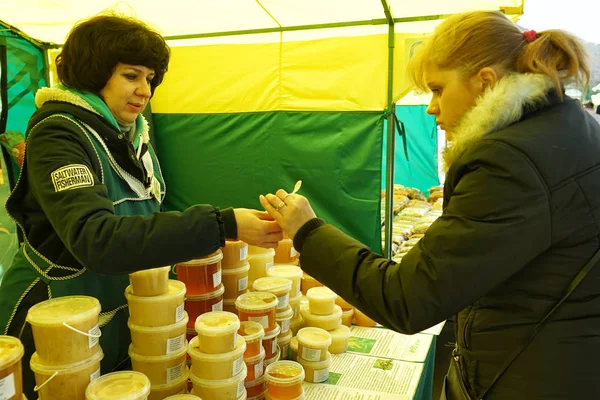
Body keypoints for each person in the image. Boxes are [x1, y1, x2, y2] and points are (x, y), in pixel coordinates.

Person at [260, 11, 600, 400]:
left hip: (527, 377)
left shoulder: (507, 162)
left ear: (485, 83)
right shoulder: (572, 125)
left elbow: (407, 300)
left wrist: (308, 231)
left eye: (438, 90)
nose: (430, 108)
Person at [0, 14, 282, 397]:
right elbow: (95, 238)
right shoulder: (59, 133)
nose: (145, 91)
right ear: (92, 72)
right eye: (131, 76)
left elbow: (145, 219)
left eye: (150, 78)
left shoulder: (130, 135)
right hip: (56, 321)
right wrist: (222, 224)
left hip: (113, 311)